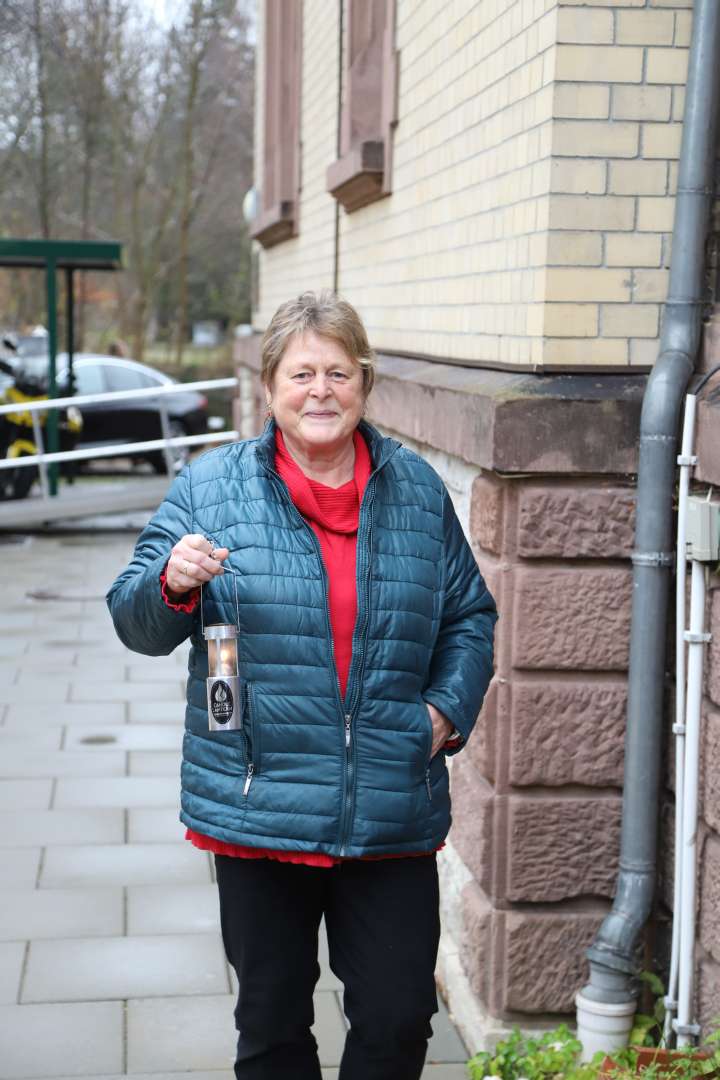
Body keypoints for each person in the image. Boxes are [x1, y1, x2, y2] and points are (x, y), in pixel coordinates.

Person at [107, 290, 497, 1080]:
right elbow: (134, 621)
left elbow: (469, 616)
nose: (321, 391)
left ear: (365, 384)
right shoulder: (209, 488)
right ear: (269, 387)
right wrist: (170, 583)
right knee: (273, 1027)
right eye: (301, 374)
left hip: (388, 804)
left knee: (397, 1021)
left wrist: (441, 716)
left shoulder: (417, 490)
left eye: (339, 373)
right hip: (260, 807)